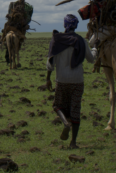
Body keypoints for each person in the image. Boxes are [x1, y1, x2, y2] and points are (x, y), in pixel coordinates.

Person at [45, 14, 95, 149]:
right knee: (75, 110)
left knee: (57, 105)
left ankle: (65, 123)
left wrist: (48, 79)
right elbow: (91, 59)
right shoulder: (82, 41)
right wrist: (95, 50)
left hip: (61, 80)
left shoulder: (56, 40)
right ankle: (73, 142)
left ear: (64, 25)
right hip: (77, 81)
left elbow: (50, 63)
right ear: (76, 26)